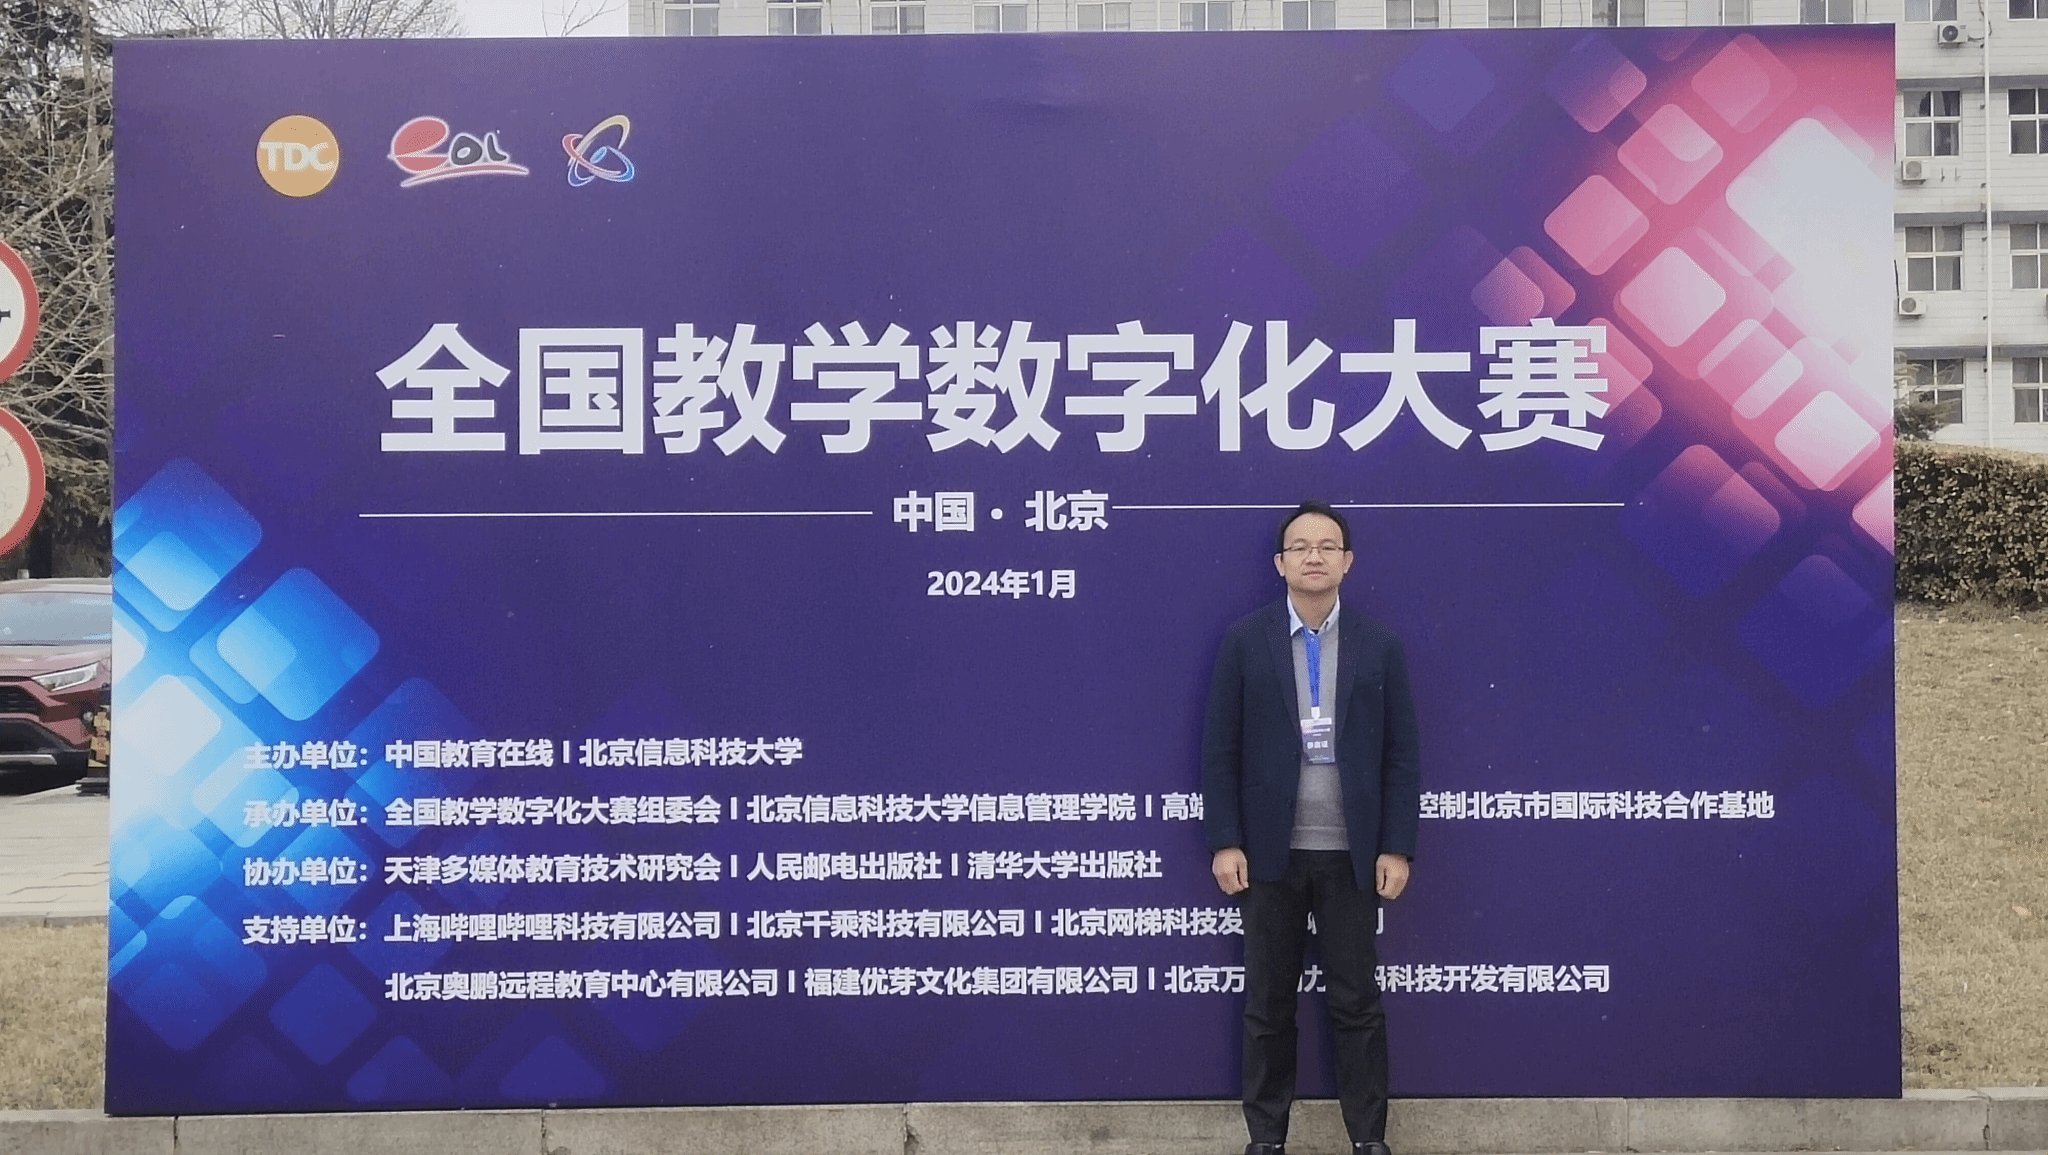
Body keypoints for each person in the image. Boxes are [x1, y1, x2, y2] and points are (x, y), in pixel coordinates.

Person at [1201, 500, 1421, 1155]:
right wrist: (1225, 839)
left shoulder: (1379, 645)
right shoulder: (1246, 641)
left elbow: (1402, 755)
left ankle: (1368, 1139)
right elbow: (1220, 750)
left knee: (1357, 1002)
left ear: (1347, 562)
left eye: (1327, 546)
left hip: (1353, 854)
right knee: (1269, 1004)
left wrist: (1397, 847)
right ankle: (1266, 1139)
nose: (1314, 556)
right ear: (1280, 563)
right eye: (1301, 547)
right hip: (1269, 854)